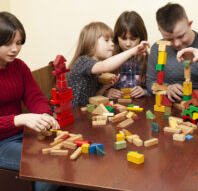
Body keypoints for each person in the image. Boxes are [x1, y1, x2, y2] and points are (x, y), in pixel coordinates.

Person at [0, 12, 60, 191]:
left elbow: (35, 97)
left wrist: (44, 115)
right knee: (47, 164)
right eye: (8, 43)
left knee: (60, 158)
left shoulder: (19, 67)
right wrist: (19, 119)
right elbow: (19, 119)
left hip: (21, 135)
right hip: (2, 142)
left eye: (18, 43)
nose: (15, 49)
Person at [146, 3, 198, 102]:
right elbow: (150, 82)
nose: (177, 43)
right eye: (169, 39)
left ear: (189, 24)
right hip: (172, 109)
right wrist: (167, 89)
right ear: (160, 31)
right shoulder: (157, 48)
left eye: (181, 36)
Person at [67, 21, 149, 106]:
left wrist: (104, 88)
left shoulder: (95, 68)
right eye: (106, 40)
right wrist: (133, 51)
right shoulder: (83, 61)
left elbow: (93, 98)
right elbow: (105, 66)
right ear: (91, 42)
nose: (112, 44)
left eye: (112, 40)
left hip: (82, 114)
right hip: (72, 113)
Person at [106, 11, 149, 99]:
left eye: (133, 39)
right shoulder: (109, 58)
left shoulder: (147, 59)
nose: (128, 44)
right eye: (123, 38)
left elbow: (156, 88)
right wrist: (106, 93)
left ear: (141, 38)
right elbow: (97, 89)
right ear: (116, 37)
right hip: (116, 107)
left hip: (140, 106)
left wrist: (144, 91)